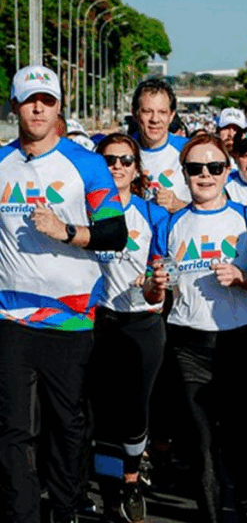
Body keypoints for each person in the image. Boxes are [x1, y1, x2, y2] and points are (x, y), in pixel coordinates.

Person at [0, 65, 127, 523]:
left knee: (66, 425)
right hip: (11, 318)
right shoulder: (2, 162)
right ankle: (23, 512)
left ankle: (68, 505)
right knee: (13, 429)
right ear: (15, 106)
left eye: (47, 100)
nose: (38, 108)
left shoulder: (86, 163)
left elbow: (116, 234)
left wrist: (65, 231)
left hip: (71, 319)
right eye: (30, 100)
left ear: (59, 107)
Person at [145, 133, 247, 523]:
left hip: (240, 342)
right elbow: (151, 290)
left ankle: (244, 505)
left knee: (239, 442)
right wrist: (155, 284)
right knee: (201, 445)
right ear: (184, 174)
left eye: (213, 167)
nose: (204, 175)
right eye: (195, 168)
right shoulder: (170, 224)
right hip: (188, 344)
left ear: (227, 171)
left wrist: (242, 277)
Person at [89, 133, 169, 523]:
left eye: (125, 160)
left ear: (136, 169)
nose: (116, 166)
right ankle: (108, 497)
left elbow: (163, 270)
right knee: (103, 417)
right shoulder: (83, 210)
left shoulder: (151, 213)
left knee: (135, 413)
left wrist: (154, 283)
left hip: (143, 322)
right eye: (108, 160)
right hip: (98, 321)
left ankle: (132, 480)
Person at [132, 79, 189, 212]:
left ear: (171, 115)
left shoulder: (189, 151)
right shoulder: (119, 151)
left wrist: (178, 205)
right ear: (135, 113)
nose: (155, 119)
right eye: (147, 111)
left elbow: (213, 208)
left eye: (162, 112)